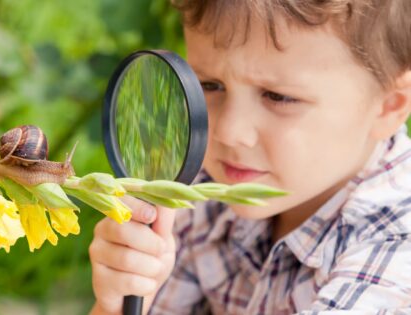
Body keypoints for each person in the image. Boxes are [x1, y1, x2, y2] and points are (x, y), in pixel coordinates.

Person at [89, 1, 411, 314]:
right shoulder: (205, 197)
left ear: (389, 106)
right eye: (209, 85)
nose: (229, 132)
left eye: (278, 97)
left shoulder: (395, 259)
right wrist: (118, 304)